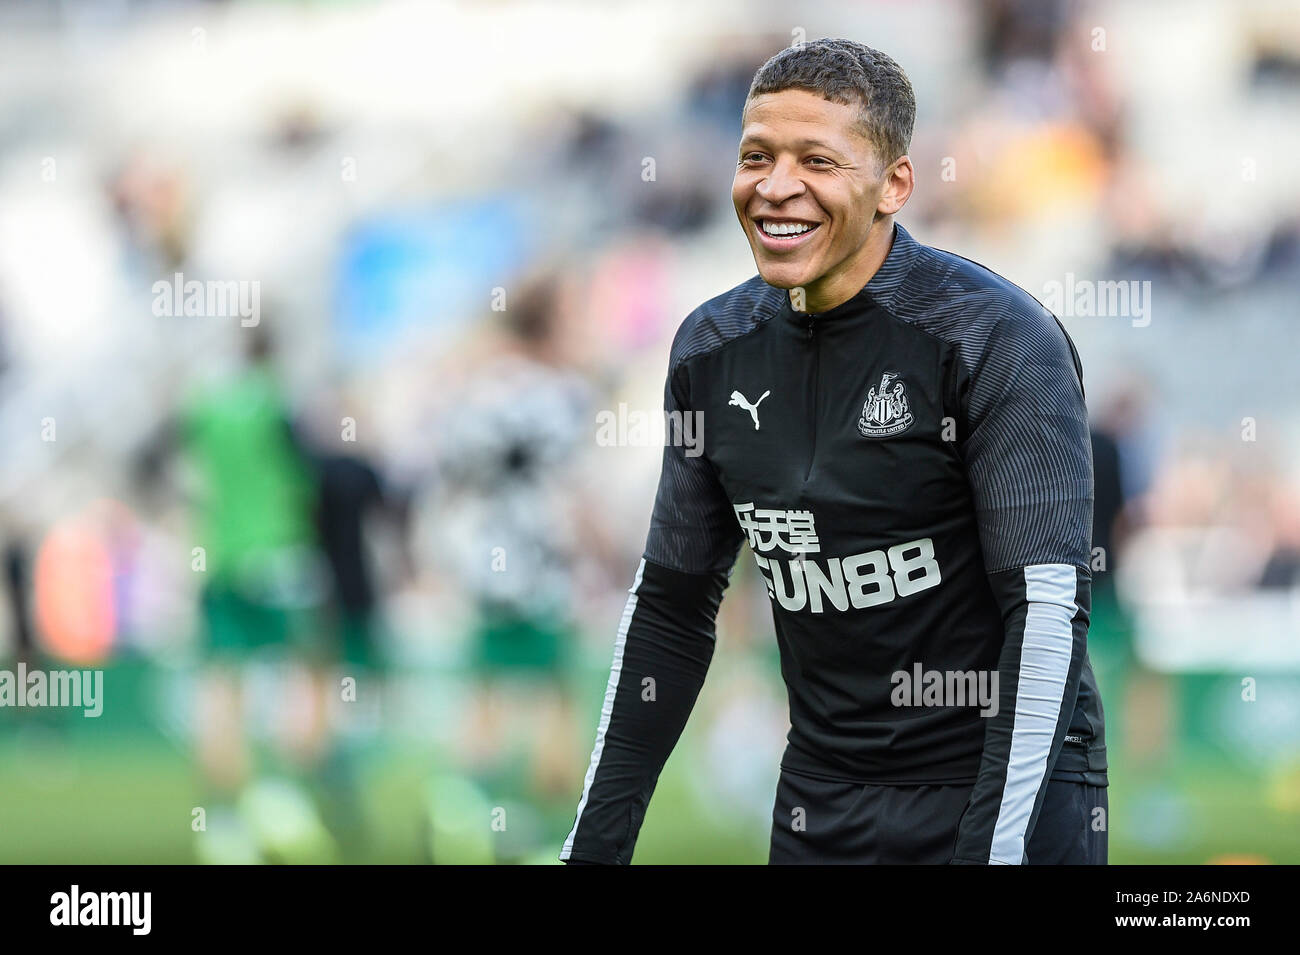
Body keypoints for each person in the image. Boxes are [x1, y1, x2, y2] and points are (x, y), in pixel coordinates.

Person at [562, 38, 1106, 865]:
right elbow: (671, 608)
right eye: (756, 157)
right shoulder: (709, 348)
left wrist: (993, 853)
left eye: (817, 159)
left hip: (1005, 793)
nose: (776, 187)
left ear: (895, 184)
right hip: (824, 800)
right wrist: (593, 850)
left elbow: (1044, 613)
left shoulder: (995, 336)